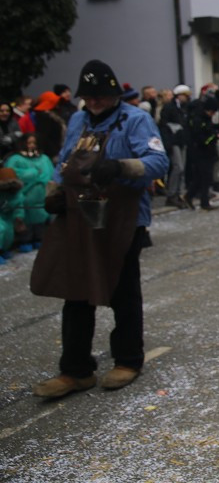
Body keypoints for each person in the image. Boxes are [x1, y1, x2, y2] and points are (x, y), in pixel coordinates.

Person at [29, 59, 169, 397]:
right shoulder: (78, 120)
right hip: (81, 218)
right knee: (75, 291)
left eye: (100, 97)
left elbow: (158, 162)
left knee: (123, 291)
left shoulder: (136, 119)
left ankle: (128, 359)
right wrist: (54, 191)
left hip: (123, 218)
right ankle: (76, 370)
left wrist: (121, 166)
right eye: (88, 97)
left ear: (113, 94)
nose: (94, 103)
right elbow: (64, 161)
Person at [5, 133, 54, 251]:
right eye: (29, 143)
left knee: (40, 220)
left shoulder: (44, 158)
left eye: (34, 143)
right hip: (24, 197)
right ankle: (24, 240)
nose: (31, 145)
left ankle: (39, 238)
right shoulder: (15, 159)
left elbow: (50, 174)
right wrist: (31, 174)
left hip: (41, 197)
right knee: (24, 220)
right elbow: (10, 174)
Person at [183, 92, 218, 211]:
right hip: (200, 152)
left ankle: (189, 196)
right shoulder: (198, 120)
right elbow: (201, 139)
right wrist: (215, 136)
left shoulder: (204, 118)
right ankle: (204, 202)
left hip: (206, 152)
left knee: (199, 178)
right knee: (205, 177)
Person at [160, 84, 191, 209]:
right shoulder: (169, 107)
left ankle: (178, 194)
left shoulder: (183, 108)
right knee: (178, 167)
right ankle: (172, 194)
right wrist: (168, 142)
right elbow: (164, 126)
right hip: (173, 141)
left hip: (181, 140)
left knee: (181, 168)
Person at [0, 167, 25, 263]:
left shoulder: (16, 193)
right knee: (1, 230)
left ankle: (4, 250)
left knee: (9, 234)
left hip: (8, 216)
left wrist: (19, 217)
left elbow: (19, 206)